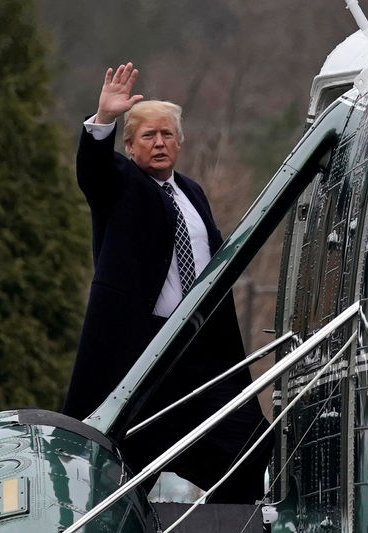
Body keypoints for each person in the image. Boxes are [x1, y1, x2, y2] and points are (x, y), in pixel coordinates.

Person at [62, 62, 271, 502]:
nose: (159, 143)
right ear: (130, 146)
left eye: (167, 134)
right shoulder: (121, 185)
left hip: (201, 354)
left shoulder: (193, 192)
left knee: (250, 444)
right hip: (142, 357)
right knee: (118, 475)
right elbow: (93, 173)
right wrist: (102, 120)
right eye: (147, 136)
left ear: (179, 142)